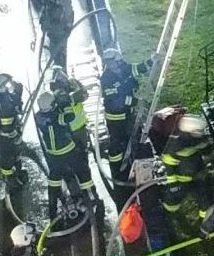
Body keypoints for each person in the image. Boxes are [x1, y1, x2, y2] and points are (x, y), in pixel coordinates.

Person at [160, 112, 214, 221]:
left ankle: (206, 221)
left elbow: (206, 150)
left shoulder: (195, 139)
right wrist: (173, 183)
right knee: (172, 199)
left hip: (198, 176)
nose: (201, 133)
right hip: (181, 180)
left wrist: (206, 146)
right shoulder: (175, 143)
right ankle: (171, 217)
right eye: (198, 131)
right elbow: (168, 164)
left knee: (205, 199)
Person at [35, 92, 84, 223]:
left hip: (52, 153)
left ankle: (52, 214)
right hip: (66, 150)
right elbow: (70, 116)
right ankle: (79, 200)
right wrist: (66, 104)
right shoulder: (57, 116)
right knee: (70, 174)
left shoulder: (39, 116)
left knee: (54, 181)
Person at [101, 47, 147, 174]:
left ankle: (135, 163)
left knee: (133, 136)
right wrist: (133, 101)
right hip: (115, 117)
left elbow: (137, 69)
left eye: (113, 62)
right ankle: (117, 170)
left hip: (128, 113)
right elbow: (115, 100)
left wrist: (151, 62)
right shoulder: (106, 79)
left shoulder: (124, 68)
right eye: (108, 62)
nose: (111, 65)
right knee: (117, 143)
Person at [50, 68, 94, 200]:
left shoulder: (67, 92)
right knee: (76, 162)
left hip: (77, 131)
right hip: (71, 133)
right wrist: (76, 86)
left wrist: (76, 84)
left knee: (80, 159)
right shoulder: (61, 96)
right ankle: (82, 191)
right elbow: (80, 95)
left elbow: (85, 95)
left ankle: (84, 189)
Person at [0, 73, 26, 193]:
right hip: (6, 135)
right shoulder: (4, 105)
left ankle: (17, 170)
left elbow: (16, 98)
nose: (11, 84)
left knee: (16, 153)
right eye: (8, 83)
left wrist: (17, 89)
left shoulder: (7, 96)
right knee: (8, 155)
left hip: (11, 129)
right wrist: (16, 136)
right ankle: (9, 177)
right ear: (2, 86)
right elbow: (7, 128)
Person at [39, 0, 74, 68]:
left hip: (60, 29)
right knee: (53, 51)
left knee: (60, 53)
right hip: (51, 29)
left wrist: (68, 26)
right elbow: (45, 7)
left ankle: (62, 73)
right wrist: (42, 19)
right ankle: (58, 70)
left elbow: (69, 11)